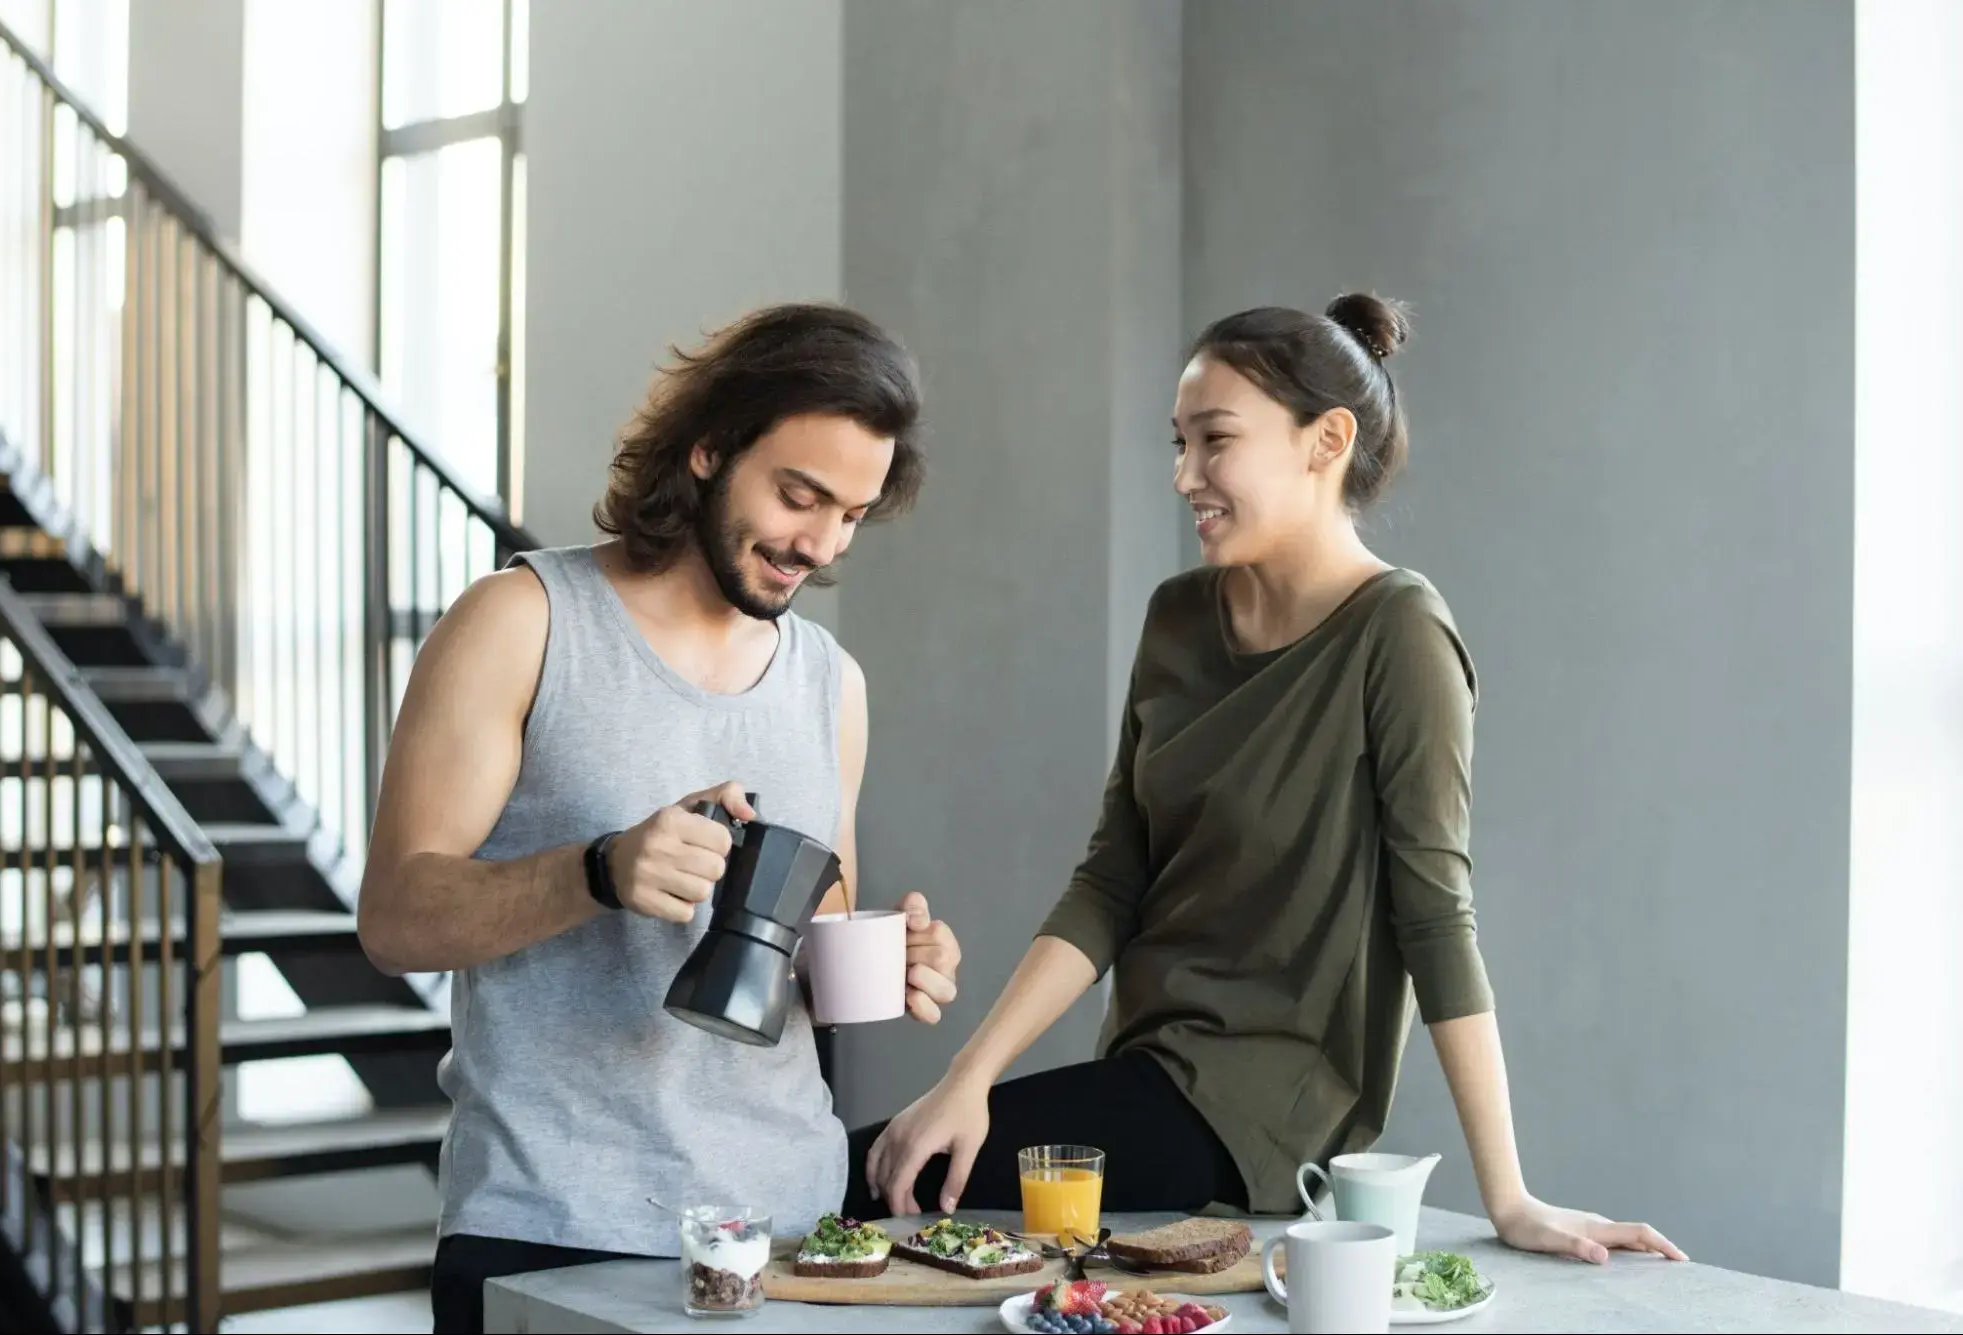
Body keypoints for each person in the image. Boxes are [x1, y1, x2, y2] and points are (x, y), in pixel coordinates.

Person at [846, 295, 1685, 1266]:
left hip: (1259, 1127)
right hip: (1147, 1081)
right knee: (888, 1176)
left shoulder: (1397, 635)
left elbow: (1435, 920)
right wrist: (968, 1078)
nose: (1182, 476)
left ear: (1325, 440)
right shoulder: (1176, 620)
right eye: (1177, 443)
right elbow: (1110, 881)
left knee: (862, 1178)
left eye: (1214, 442)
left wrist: (1509, 1196)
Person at [356, 302, 965, 1334]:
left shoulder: (832, 683)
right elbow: (396, 919)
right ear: (707, 448)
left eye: (851, 515)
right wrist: (595, 872)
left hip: (795, 1229)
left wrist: (895, 958)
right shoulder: (522, 621)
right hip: (554, 1227)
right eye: (798, 495)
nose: (817, 544)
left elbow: (815, 943)